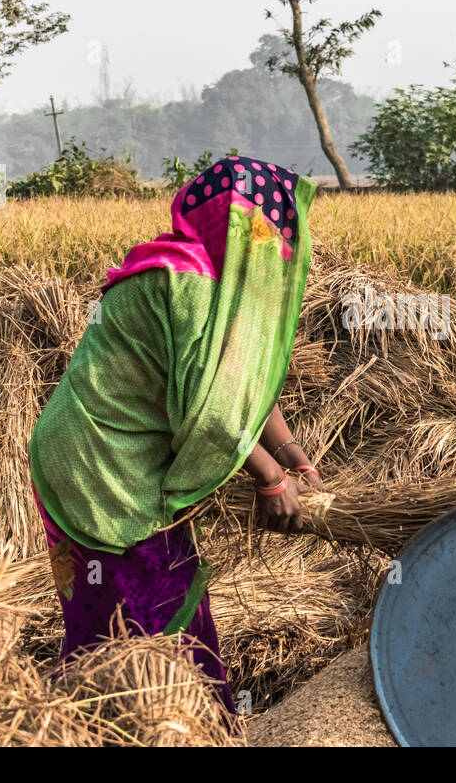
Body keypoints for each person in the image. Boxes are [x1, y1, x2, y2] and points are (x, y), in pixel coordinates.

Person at [27, 156, 322, 711]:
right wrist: (271, 482)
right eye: (267, 233)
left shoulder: (204, 276)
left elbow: (239, 386)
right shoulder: (184, 282)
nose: (275, 249)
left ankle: (166, 714)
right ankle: (130, 715)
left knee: (153, 588)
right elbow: (212, 415)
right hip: (101, 461)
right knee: (128, 605)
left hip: (101, 452)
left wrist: (288, 453)